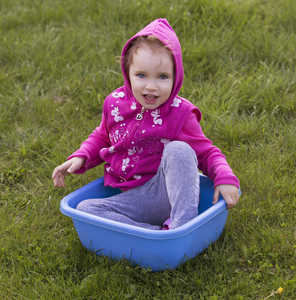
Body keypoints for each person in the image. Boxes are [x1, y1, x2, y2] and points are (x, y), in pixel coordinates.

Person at [52, 18, 240, 230]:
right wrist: (81, 156)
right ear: (128, 73)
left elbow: (206, 153)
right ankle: (159, 234)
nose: (151, 87)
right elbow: (103, 137)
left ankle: (182, 226)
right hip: (131, 199)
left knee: (179, 150)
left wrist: (225, 178)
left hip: (166, 192)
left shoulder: (180, 113)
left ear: (175, 77)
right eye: (141, 75)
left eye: (162, 77)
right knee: (85, 209)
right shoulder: (115, 103)